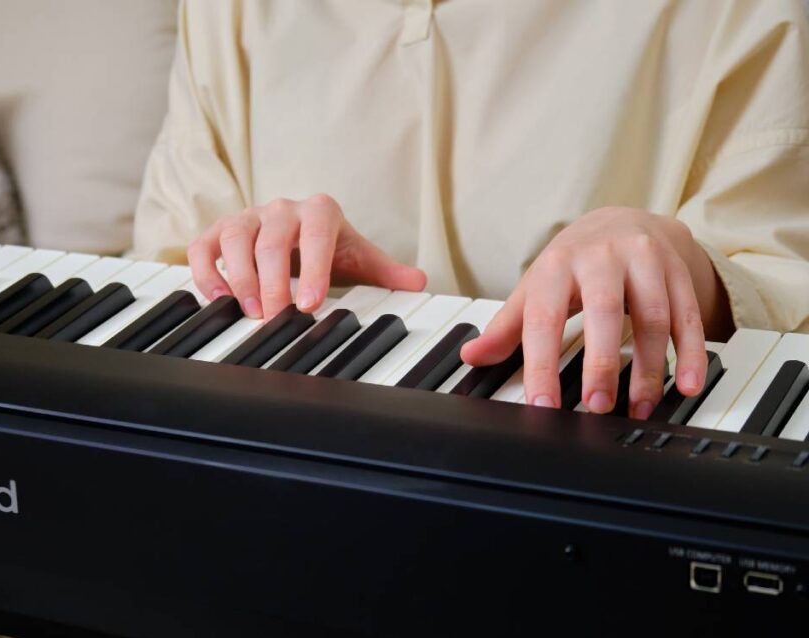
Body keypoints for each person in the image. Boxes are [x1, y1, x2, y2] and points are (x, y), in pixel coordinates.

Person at [132, 0, 809, 418]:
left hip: (598, 463)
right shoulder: (225, 10)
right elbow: (157, 284)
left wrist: (681, 261)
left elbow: (782, 279)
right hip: (285, 465)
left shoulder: (738, 10)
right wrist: (247, 261)